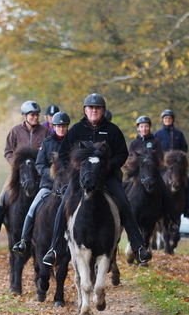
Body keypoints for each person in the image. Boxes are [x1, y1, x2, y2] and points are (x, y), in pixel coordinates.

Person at [42, 93, 152, 266]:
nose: (94, 110)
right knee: (63, 204)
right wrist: (77, 169)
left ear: (103, 110)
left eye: (97, 108)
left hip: (107, 178)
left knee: (124, 203)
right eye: (91, 108)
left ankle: (139, 246)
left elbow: (122, 154)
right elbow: (64, 154)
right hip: (81, 179)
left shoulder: (113, 130)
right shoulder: (76, 130)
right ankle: (54, 248)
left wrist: (108, 166)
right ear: (85, 110)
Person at [0, 100, 51, 244]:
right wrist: (16, 165)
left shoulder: (45, 132)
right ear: (25, 116)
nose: (35, 118)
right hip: (19, 173)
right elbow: (7, 151)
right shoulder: (15, 131)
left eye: (37, 115)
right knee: (3, 195)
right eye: (32, 115)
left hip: (39, 174)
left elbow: (49, 151)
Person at [11, 111, 70, 255]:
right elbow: (40, 164)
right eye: (58, 126)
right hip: (49, 186)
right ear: (54, 127)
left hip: (69, 186)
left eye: (63, 126)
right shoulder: (47, 142)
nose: (61, 129)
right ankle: (24, 241)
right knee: (33, 208)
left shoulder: (72, 143)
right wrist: (52, 176)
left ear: (67, 127)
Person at [129, 115, 179, 232]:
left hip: (153, 174)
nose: (144, 128)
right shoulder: (134, 143)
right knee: (123, 190)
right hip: (137, 174)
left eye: (146, 126)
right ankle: (122, 219)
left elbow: (160, 159)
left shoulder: (155, 142)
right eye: (142, 126)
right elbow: (130, 158)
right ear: (138, 128)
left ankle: (170, 221)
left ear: (149, 127)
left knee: (166, 193)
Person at [153, 109, 189, 218]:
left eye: (169, 118)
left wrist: (179, 157)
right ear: (162, 120)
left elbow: (184, 148)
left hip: (177, 166)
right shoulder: (158, 134)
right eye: (165, 118)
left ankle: (187, 209)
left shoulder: (179, 134)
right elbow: (155, 149)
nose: (167, 120)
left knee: (187, 182)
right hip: (164, 165)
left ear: (173, 120)